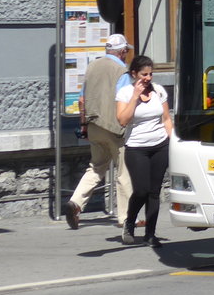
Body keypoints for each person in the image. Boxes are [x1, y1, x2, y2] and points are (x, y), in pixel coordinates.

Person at [63, 34, 133, 230]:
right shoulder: (122, 71)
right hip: (114, 128)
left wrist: (84, 125)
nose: (126, 54)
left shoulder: (92, 67)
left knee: (96, 167)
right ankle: (126, 218)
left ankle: (76, 203)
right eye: (126, 51)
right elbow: (126, 101)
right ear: (122, 51)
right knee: (123, 172)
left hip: (93, 126)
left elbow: (82, 100)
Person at [116, 55, 173, 247]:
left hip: (159, 146)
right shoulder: (125, 93)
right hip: (136, 147)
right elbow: (123, 120)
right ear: (134, 74)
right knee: (141, 189)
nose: (148, 78)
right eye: (144, 74)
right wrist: (135, 97)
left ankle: (150, 233)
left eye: (150, 74)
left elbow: (166, 119)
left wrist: (172, 140)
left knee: (154, 192)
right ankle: (129, 222)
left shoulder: (159, 91)